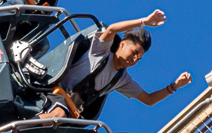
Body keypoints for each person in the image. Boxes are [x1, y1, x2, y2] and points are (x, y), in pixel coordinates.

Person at [50, 9, 191, 118]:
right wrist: (144, 21)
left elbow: (149, 99)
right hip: (56, 94)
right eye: (134, 53)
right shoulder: (100, 51)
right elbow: (111, 29)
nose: (135, 60)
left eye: (139, 59)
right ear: (122, 45)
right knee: (59, 115)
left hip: (70, 111)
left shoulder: (122, 79)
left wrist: (174, 86)